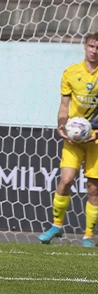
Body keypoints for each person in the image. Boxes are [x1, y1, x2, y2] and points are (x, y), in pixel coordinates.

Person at [38, 33, 98, 248]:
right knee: (66, 180)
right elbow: (64, 106)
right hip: (74, 138)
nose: (94, 51)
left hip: (95, 139)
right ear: (85, 46)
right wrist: (62, 125)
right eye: (91, 46)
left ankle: (88, 236)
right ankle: (57, 225)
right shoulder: (71, 72)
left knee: (93, 188)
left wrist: (96, 133)